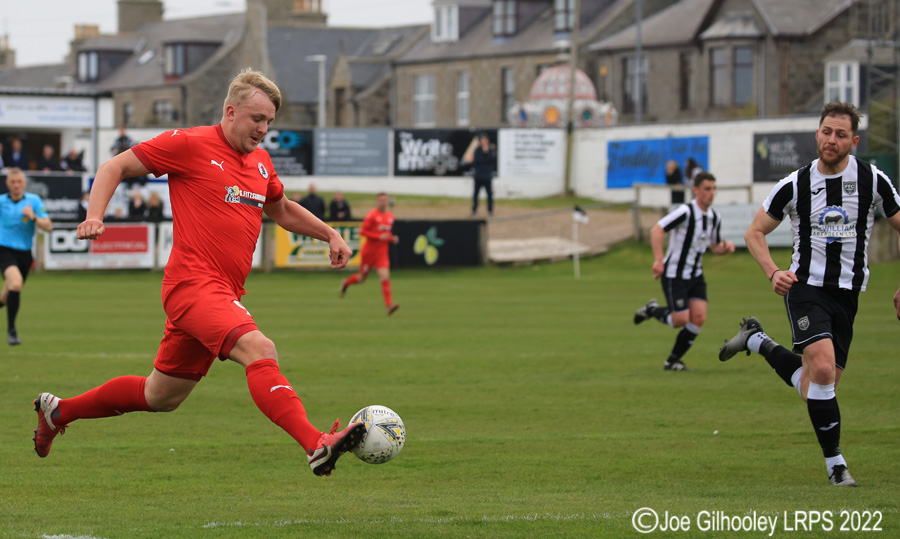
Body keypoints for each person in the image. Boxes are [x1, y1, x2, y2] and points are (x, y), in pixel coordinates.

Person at [32, 68, 366, 478]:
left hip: (222, 292)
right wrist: (95, 216)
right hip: (193, 285)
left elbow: (279, 209)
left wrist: (328, 232)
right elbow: (113, 167)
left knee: (161, 395)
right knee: (260, 349)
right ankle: (316, 444)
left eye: (269, 122)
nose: (263, 129)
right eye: (256, 119)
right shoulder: (188, 144)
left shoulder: (260, 162)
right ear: (230, 111)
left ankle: (58, 411)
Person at [718, 101, 900, 488]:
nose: (831, 140)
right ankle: (836, 465)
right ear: (817, 133)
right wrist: (773, 272)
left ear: (854, 140)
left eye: (840, 134)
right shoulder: (796, 184)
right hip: (805, 289)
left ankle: (757, 340)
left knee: (817, 386)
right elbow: (754, 232)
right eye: (825, 131)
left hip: (847, 296)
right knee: (820, 370)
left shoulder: (872, 180)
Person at [633, 171, 735, 371]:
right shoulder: (685, 212)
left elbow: (714, 247)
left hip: (696, 275)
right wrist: (659, 260)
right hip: (674, 274)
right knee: (680, 319)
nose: (711, 193)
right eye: (707, 189)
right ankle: (651, 310)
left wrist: (724, 249)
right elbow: (657, 229)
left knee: (698, 318)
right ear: (696, 190)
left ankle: (672, 361)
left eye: (714, 189)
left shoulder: (714, 217)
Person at [0, 168, 53, 345]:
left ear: (24, 183)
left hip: (24, 254)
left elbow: (48, 226)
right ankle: (12, 331)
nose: (16, 185)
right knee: (15, 283)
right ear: (8, 183)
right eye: (12, 182)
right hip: (4, 250)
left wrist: (33, 217)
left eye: (19, 182)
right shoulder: (1, 202)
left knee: (7, 294)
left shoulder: (33, 201)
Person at [339, 192, 399, 315]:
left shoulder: (390, 216)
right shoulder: (372, 215)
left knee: (385, 277)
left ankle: (389, 306)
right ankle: (346, 282)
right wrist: (378, 236)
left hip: (382, 253)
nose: (383, 202)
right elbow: (363, 232)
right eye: (381, 200)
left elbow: (386, 234)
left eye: (385, 200)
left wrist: (392, 239)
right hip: (369, 252)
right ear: (377, 202)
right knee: (361, 278)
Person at [462, 133, 497, 217]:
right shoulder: (477, 150)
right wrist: (485, 156)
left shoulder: (491, 150)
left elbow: (492, 159)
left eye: (486, 140)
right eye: (483, 140)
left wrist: (486, 152)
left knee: (489, 195)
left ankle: (490, 210)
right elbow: (477, 161)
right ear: (480, 142)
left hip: (487, 176)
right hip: (478, 176)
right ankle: (474, 210)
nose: (484, 142)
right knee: (475, 194)